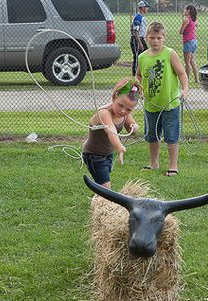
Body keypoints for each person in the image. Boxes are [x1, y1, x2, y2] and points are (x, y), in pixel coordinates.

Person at [136, 22, 189, 177]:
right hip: (151, 105)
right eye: (152, 37)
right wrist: (139, 87)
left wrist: (185, 89)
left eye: (159, 38)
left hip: (170, 104)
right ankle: (154, 163)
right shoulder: (142, 57)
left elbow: (182, 74)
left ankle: (173, 166)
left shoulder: (170, 54)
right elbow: (138, 75)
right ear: (146, 38)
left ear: (164, 38)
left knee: (171, 135)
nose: (155, 41)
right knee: (152, 135)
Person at [82, 78, 141, 188]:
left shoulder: (125, 114)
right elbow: (111, 131)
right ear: (114, 97)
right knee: (106, 187)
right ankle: (103, 204)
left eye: (129, 109)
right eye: (120, 105)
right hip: (93, 155)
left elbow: (132, 128)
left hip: (108, 154)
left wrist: (134, 127)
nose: (123, 111)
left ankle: (99, 202)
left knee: (101, 185)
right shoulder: (104, 113)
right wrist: (119, 147)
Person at [179, 4, 199, 83]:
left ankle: (186, 79)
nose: (184, 11)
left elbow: (181, 31)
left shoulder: (186, 19)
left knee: (187, 62)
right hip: (194, 41)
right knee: (192, 61)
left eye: (185, 10)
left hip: (188, 42)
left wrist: (182, 28)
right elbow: (195, 25)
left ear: (189, 11)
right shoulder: (194, 19)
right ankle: (196, 79)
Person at [131, 1, 150, 76]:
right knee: (137, 58)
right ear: (142, 8)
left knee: (145, 55)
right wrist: (140, 43)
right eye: (146, 7)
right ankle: (135, 75)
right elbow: (135, 32)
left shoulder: (142, 17)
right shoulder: (138, 17)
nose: (147, 9)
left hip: (141, 39)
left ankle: (141, 73)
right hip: (137, 39)